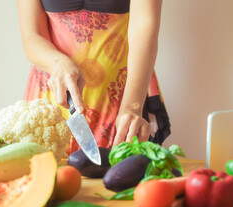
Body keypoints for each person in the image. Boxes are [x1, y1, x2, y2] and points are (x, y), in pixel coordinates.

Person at [16, 0, 171, 154]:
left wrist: (132, 107)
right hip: (52, 101)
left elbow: (144, 23)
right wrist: (58, 63)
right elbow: (31, 35)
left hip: (123, 99)